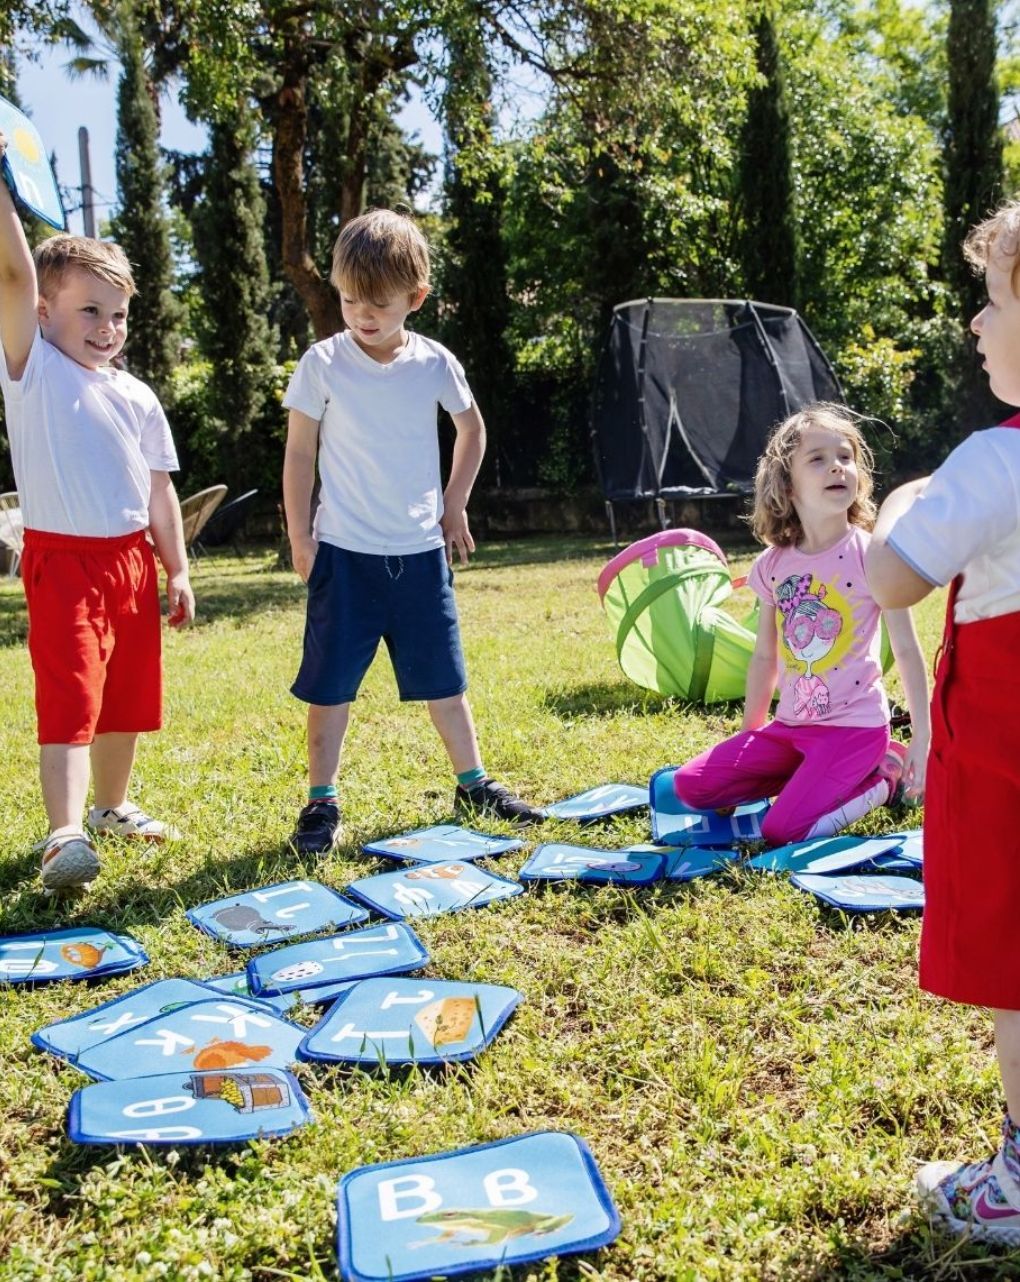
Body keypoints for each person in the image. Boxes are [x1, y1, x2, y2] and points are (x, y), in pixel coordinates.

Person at [282, 208, 542, 853]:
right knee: (329, 686)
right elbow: (297, 453)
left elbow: (472, 430)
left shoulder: (434, 363)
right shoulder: (322, 363)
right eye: (349, 300)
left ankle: (473, 782)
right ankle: (321, 802)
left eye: (379, 303)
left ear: (416, 298)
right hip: (344, 555)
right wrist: (300, 536)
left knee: (445, 681)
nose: (362, 315)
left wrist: (455, 504)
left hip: (421, 557)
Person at [867, 201, 1020, 1243]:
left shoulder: (993, 461)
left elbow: (890, 578)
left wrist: (903, 504)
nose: (974, 321)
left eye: (994, 298)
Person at [0, 131, 194, 892]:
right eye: (89, 311)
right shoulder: (33, 369)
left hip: (129, 564)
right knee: (72, 697)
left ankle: (112, 807)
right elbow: (14, 272)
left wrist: (176, 567)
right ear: (43, 314)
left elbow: (159, 491)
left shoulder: (137, 394)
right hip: (63, 561)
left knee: (125, 698)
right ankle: (64, 835)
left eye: (118, 314)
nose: (107, 328)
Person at [673, 403, 929, 847]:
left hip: (855, 732)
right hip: (789, 730)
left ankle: (881, 779)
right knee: (691, 785)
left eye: (846, 456)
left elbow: (906, 650)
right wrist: (749, 741)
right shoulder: (773, 565)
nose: (837, 466)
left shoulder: (875, 554)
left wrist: (924, 738)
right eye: (818, 458)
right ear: (787, 486)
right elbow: (765, 657)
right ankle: (808, 779)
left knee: (781, 830)